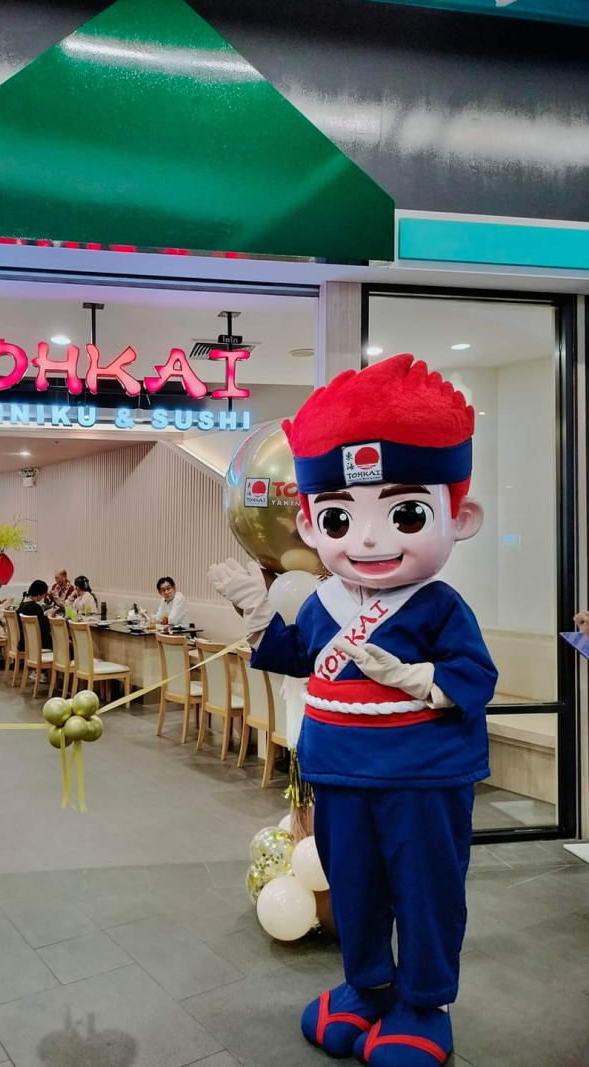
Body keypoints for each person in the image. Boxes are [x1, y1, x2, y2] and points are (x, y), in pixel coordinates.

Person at [210, 354, 497, 1066]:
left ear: (458, 517)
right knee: (355, 885)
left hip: (421, 775)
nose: (367, 539)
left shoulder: (438, 605)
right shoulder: (324, 603)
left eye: (405, 514)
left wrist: (419, 677)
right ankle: (367, 985)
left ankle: (423, 1003)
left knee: (426, 890)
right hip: (339, 770)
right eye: (340, 517)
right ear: (312, 524)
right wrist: (256, 614)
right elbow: (297, 654)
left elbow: (474, 676)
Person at [17, 579, 53, 650]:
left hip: (24, 642)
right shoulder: (35, 607)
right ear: (39, 595)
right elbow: (44, 628)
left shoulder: (22, 605)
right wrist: (49, 616)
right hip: (37, 643)